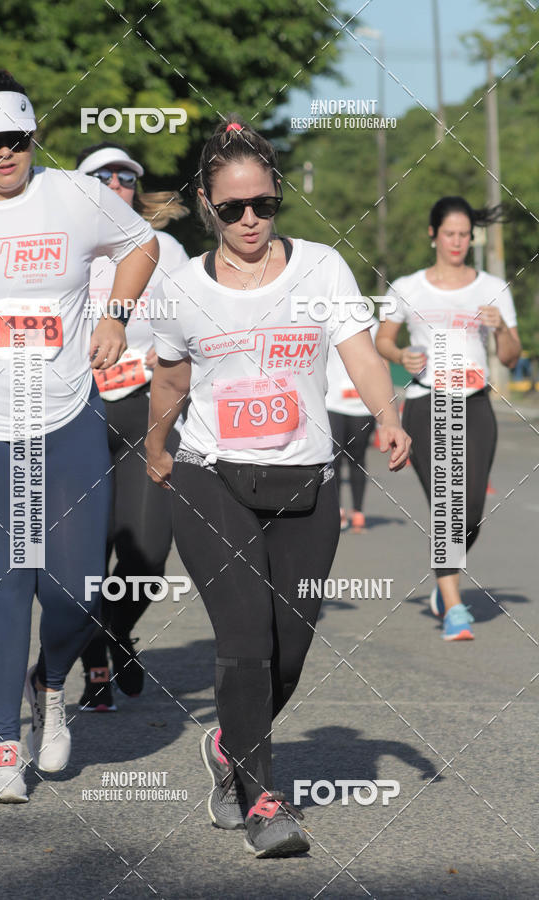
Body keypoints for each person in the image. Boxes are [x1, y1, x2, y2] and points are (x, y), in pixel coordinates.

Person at [145, 118, 410, 857]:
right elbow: (170, 379)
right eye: (232, 208)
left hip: (306, 480)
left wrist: (388, 416)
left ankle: (229, 748)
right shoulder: (181, 289)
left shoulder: (321, 268)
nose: (250, 220)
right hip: (209, 474)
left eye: (263, 204)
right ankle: (264, 803)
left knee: (288, 651)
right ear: (207, 205)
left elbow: (360, 353)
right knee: (244, 639)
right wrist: (157, 445)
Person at [0, 70, 158, 802]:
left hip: (64, 415)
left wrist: (114, 315)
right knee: (7, 580)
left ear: (34, 136)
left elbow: (141, 243)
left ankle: (51, 681)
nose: (5, 154)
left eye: (17, 139)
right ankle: (5, 746)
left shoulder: (73, 195)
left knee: (78, 591)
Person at [74, 142, 189, 710]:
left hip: (147, 410)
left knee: (147, 554)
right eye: (104, 176)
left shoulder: (166, 249)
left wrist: (170, 354)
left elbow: (196, 321)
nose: (117, 184)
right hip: (76, 412)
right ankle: (94, 664)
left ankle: (116, 630)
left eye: (126, 177)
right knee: (86, 553)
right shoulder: (63, 248)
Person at [376, 196, 520, 641]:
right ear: (432, 235)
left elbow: (511, 358)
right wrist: (401, 354)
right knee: (448, 507)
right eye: (449, 234)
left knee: (470, 510)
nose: (457, 242)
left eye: (464, 235)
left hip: (474, 404)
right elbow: (382, 340)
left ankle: (444, 582)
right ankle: (454, 603)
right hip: (426, 403)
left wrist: (501, 328)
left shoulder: (492, 287)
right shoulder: (408, 287)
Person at [326, 318, 380, 532]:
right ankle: (337, 510)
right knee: (334, 458)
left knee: (358, 458)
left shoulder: (372, 324)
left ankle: (358, 512)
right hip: (332, 402)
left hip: (363, 405)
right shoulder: (324, 320)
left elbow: (379, 362)